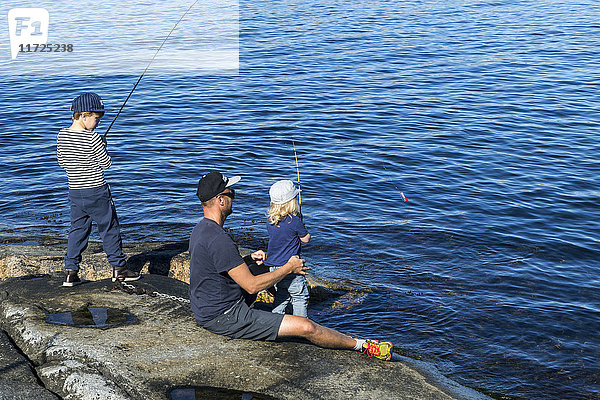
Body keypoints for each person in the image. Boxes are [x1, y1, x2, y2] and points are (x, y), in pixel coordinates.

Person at [189, 171, 393, 360]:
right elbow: (251, 286)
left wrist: (250, 259)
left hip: (207, 308)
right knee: (306, 327)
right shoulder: (219, 239)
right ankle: (362, 345)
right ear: (220, 200)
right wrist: (289, 267)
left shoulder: (201, 230)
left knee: (261, 268)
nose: (234, 196)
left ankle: (276, 312)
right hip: (225, 316)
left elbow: (215, 268)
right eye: (231, 192)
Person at [57, 92, 140, 287]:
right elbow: (106, 163)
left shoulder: (61, 135)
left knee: (77, 230)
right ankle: (119, 270)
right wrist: (103, 146)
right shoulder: (93, 138)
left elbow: (62, 162)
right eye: (96, 118)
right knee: (109, 227)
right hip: (96, 190)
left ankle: (70, 272)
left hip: (75, 192)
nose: (98, 122)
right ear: (84, 116)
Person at [265, 179, 310, 317]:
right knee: (300, 297)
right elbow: (306, 239)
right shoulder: (295, 221)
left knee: (282, 294)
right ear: (291, 202)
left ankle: (275, 318)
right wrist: (301, 224)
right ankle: (301, 324)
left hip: (274, 267)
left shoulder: (270, 221)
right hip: (291, 267)